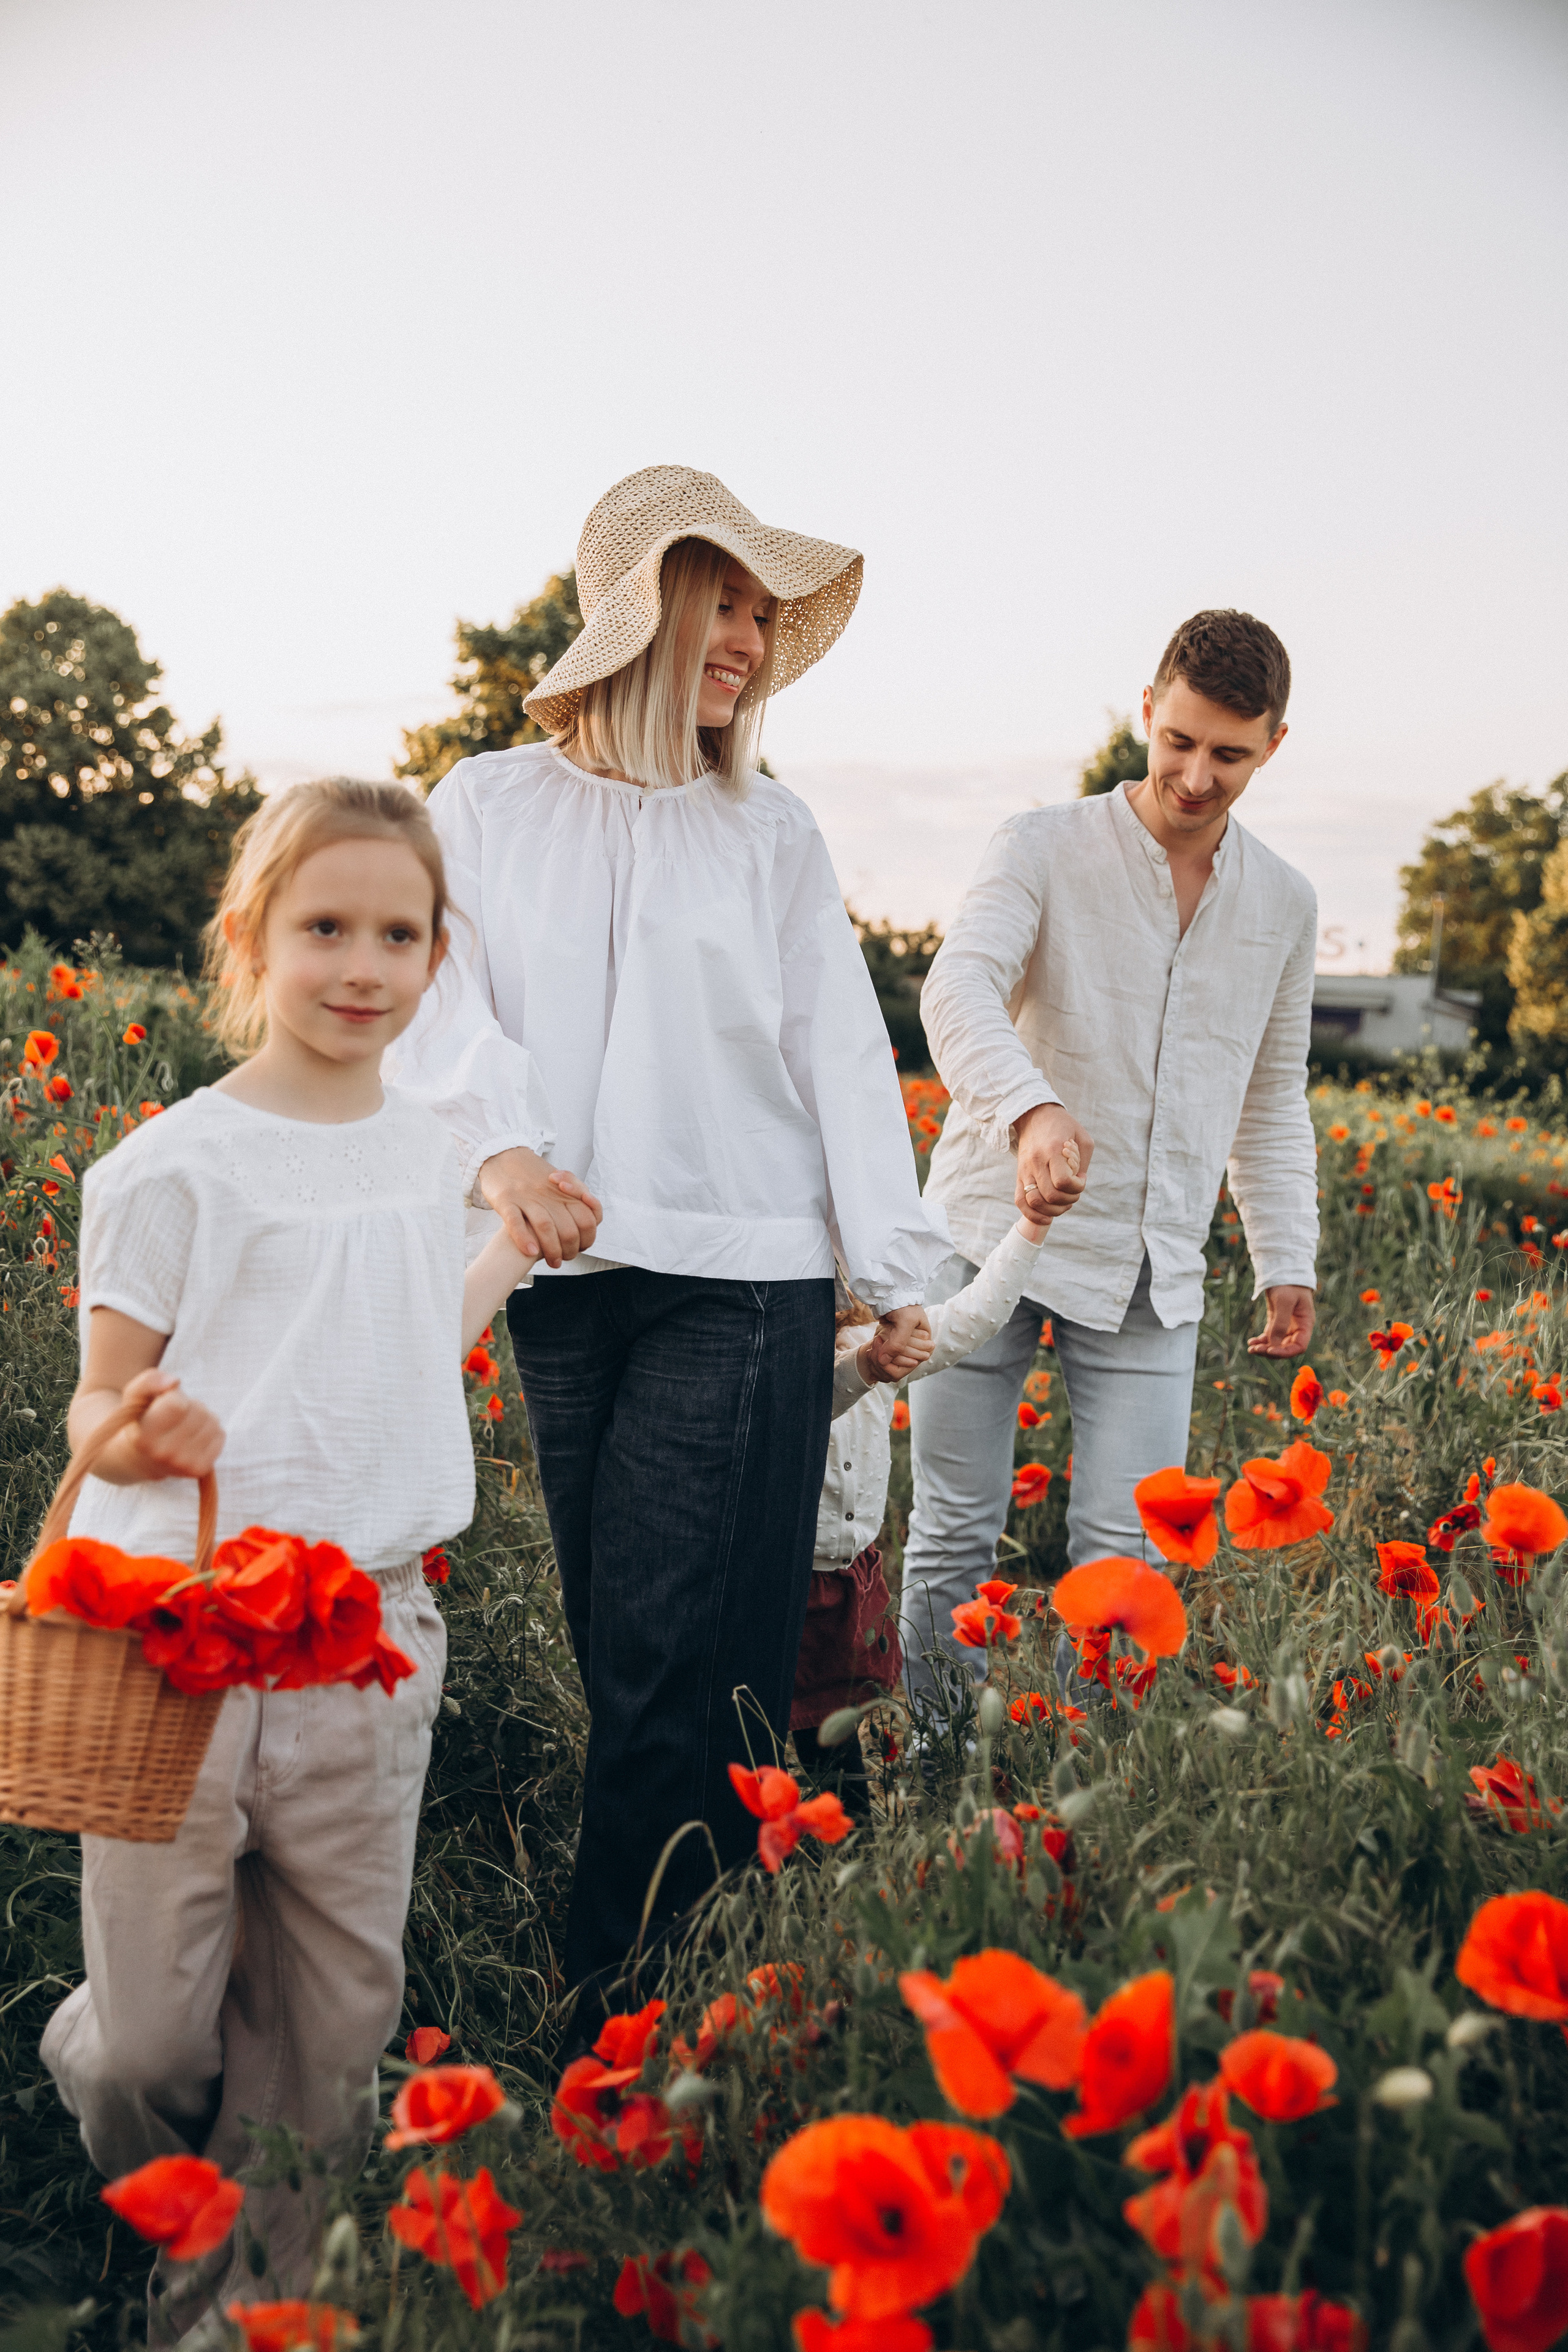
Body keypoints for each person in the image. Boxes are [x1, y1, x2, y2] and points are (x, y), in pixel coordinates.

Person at [387, 465, 949, 2037]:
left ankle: (610, 2036)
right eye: (734, 604)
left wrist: (885, 1265)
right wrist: (499, 1145)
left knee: (671, 1672)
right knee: (635, 1655)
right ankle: (721, 1993)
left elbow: (837, 1048)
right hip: (562, 1278)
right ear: (648, 608)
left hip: (743, 1274)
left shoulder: (766, 827)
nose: (752, 643)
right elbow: (443, 998)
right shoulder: (483, 803)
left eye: (768, 618)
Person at [40, 780, 551, 2335]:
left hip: (366, 1631)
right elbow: (94, 1408)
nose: (361, 965)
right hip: (175, 1643)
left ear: (434, 952)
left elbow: (403, 1344)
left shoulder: (435, 1145)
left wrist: (510, 1254)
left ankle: (229, 2311)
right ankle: (89, 2072)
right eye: (324, 926)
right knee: (145, 2046)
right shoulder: (171, 1167)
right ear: (251, 935)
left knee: (334, 2028)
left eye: (398, 933)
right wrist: (147, 1435)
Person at [901, 608, 1319, 1708]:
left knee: (1126, 1557)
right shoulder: (1038, 845)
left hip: (1150, 1267)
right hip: (989, 1237)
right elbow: (958, 990)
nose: (1194, 775)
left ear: (1274, 743)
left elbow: (1271, 1096)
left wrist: (1287, 1253)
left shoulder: (1285, 904)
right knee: (954, 1532)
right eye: (1178, 740)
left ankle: (1073, 1781)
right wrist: (1033, 1113)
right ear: (1148, 710)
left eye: (1229, 754)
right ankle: (939, 1771)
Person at [793, 1189, 1062, 1810]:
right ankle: (754, 1853)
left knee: (827, 1731)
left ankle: (850, 1843)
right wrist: (862, 1366)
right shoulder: (775, 1342)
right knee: (758, 1726)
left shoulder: (881, 1337)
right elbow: (808, 1403)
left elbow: (973, 1318)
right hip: (774, 1576)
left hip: (841, 1577)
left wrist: (1030, 1227)